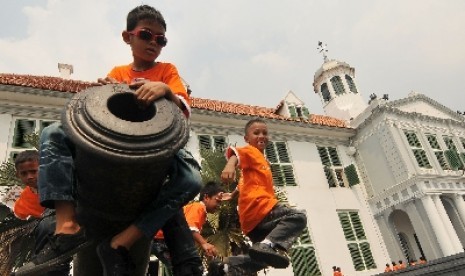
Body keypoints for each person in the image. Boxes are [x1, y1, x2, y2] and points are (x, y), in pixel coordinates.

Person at [15, 5, 203, 276]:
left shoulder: (166, 71)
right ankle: (66, 224)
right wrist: (105, 90)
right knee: (53, 133)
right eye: (146, 35)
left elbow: (184, 109)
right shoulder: (119, 72)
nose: (154, 43)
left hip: (161, 147)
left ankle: (123, 241)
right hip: (117, 148)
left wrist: (165, 91)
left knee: (191, 181)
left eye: (161, 39)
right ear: (128, 37)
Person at [208, 118, 307, 275]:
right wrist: (229, 165)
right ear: (247, 138)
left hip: (251, 224)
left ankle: (224, 268)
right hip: (261, 209)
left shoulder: (260, 162)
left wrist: (232, 194)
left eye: (265, 133)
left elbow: (243, 182)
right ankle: (268, 245)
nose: (262, 136)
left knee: (261, 259)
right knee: (298, 216)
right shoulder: (251, 151)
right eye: (256, 133)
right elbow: (236, 153)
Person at [13, 150, 70, 276]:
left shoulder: (61, 187)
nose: (30, 176)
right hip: (38, 250)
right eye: (24, 173)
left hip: (61, 245)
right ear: (18, 175)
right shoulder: (22, 202)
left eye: (34, 171)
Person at [152, 182, 224, 268]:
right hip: (162, 239)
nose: (219, 205)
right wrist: (204, 244)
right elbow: (190, 227)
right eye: (218, 201)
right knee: (184, 267)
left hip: (164, 239)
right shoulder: (198, 207)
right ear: (206, 197)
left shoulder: (201, 212)